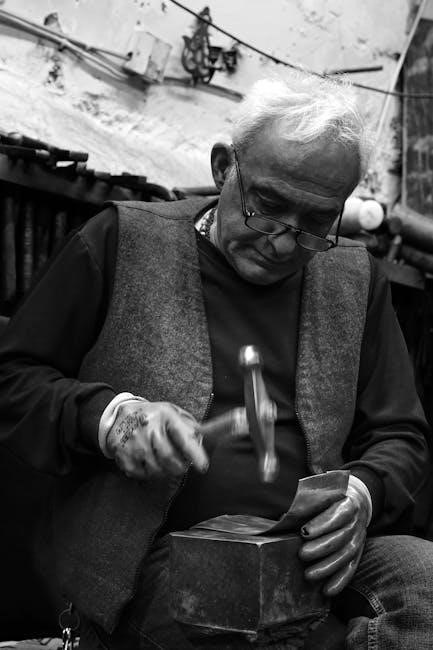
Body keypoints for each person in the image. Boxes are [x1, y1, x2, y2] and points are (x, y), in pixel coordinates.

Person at [0, 74, 432, 649]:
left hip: (307, 548)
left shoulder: (355, 279)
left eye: (316, 223)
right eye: (267, 206)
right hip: (150, 552)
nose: (283, 243)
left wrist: (362, 494)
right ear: (225, 167)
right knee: (240, 623)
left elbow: (401, 434)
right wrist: (111, 418)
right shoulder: (122, 240)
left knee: (426, 588)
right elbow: (13, 380)